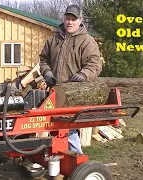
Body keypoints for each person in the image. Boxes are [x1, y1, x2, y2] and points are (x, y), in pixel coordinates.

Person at [39, 4, 103, 154]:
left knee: (68, 129)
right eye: (67, 18)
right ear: (64, 18)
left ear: (80, 20)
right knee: (50, 126)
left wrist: (84, 74)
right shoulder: (53, 40)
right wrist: (47, 73)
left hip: (74, 95)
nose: (70, 22)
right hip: (54, 93)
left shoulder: (87, 41)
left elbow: (95, 63)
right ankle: (53, 158)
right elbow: (43, 60)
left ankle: (77, 159)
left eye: (73, 19)